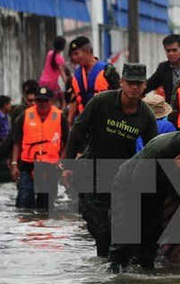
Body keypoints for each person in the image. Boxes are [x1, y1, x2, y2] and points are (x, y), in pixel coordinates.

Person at [65, 63, 157, 258]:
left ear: (144, 87)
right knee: (99, 227)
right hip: (93, 170)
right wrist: (68, 165)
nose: (134, 87)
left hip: (123, 175)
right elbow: (77, 132)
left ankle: (114, 264)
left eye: (138, 84)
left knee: (120, 226)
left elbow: (152, 151)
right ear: (122, 83)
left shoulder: (146, 115)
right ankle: (103, 265)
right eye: (130, 83)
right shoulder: (101, 102)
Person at [109, 107, 180, 271]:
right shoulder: (162, 147)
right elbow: (138, 182)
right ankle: (113, 273)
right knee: (126, 238)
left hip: (158, 190)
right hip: (129, 185)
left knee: (151, 238)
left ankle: (146, 272)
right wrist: (172, 169)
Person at [10, 86, 69, 209]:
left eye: (45, 101)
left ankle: (44, 227)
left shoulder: (60, 116)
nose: (42, 104)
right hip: (28, 164)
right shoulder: (24, 116)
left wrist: (62, 163)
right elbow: (16, 142)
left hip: (50, 166)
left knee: (46, 204)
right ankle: (24, 226)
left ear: (51, 101)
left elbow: (67, 142)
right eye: (39, 101)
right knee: (24, 201)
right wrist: (14, 164)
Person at [68, 36, 120, 123]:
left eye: (76, 54)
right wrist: (69, 122)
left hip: (107, 122)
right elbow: (74, 101)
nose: (74, 58)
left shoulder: (107, 71)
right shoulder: (76, 76)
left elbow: (119, 97)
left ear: (87, 51)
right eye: (73, 55)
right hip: (85, 123)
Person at [145, 34, 180, 104]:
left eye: (174, 50)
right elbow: (148, 85)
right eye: (168, 51)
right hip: (172, 111)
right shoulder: (163, 68)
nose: (171, 53)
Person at [39, 36, 68, 106]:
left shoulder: (50, 53)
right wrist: (68, 83)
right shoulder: (60, 59)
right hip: (51, 83)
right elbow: (62, 74)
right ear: (63, 47)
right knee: (60, 98)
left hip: (42, 81)